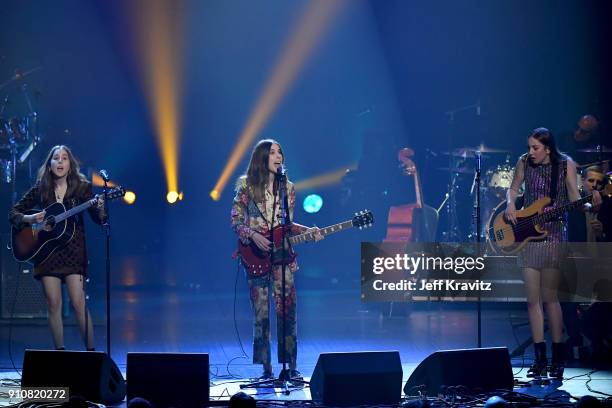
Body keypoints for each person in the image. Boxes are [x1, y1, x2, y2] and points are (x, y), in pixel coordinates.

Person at [504, 128, 601, 378]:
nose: (530, 152)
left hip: (554, 235)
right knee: (532, 299)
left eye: (535, 148)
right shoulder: (524, 162)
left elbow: (575, 197)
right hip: (528, 234)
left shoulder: (565, 164)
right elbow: (513, 188)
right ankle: (539, 358)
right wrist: (511, 204)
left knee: (550, 299)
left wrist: (590, 204)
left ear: (548, 149)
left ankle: (558, 356)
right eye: (529, 147)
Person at [231, 139, 322, 380]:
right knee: (261, 314)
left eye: (280, 151)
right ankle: (266, 369)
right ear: (262, 157)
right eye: (272, 152)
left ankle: (290, 366)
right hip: (256, 257)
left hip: (282, 258)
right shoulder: (246, 186)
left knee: (288, 312)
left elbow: (287, 225)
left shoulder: (288, 188)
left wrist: (307, 231)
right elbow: (236, 220)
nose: (278, 155)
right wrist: (253, 236)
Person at [9, 145, 105, 350]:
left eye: (64, 158)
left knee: (78, 303)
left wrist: (100, 207)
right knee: (53, 304)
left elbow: (99, 220)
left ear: (71, 164)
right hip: (46, 253)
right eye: (56, 158)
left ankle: (92, 354)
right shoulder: (41, 188)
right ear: (49, 164)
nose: (60, 162)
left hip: (73, 251)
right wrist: (30, 218)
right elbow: (14, 214)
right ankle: (59, 354)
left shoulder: (82, 187)